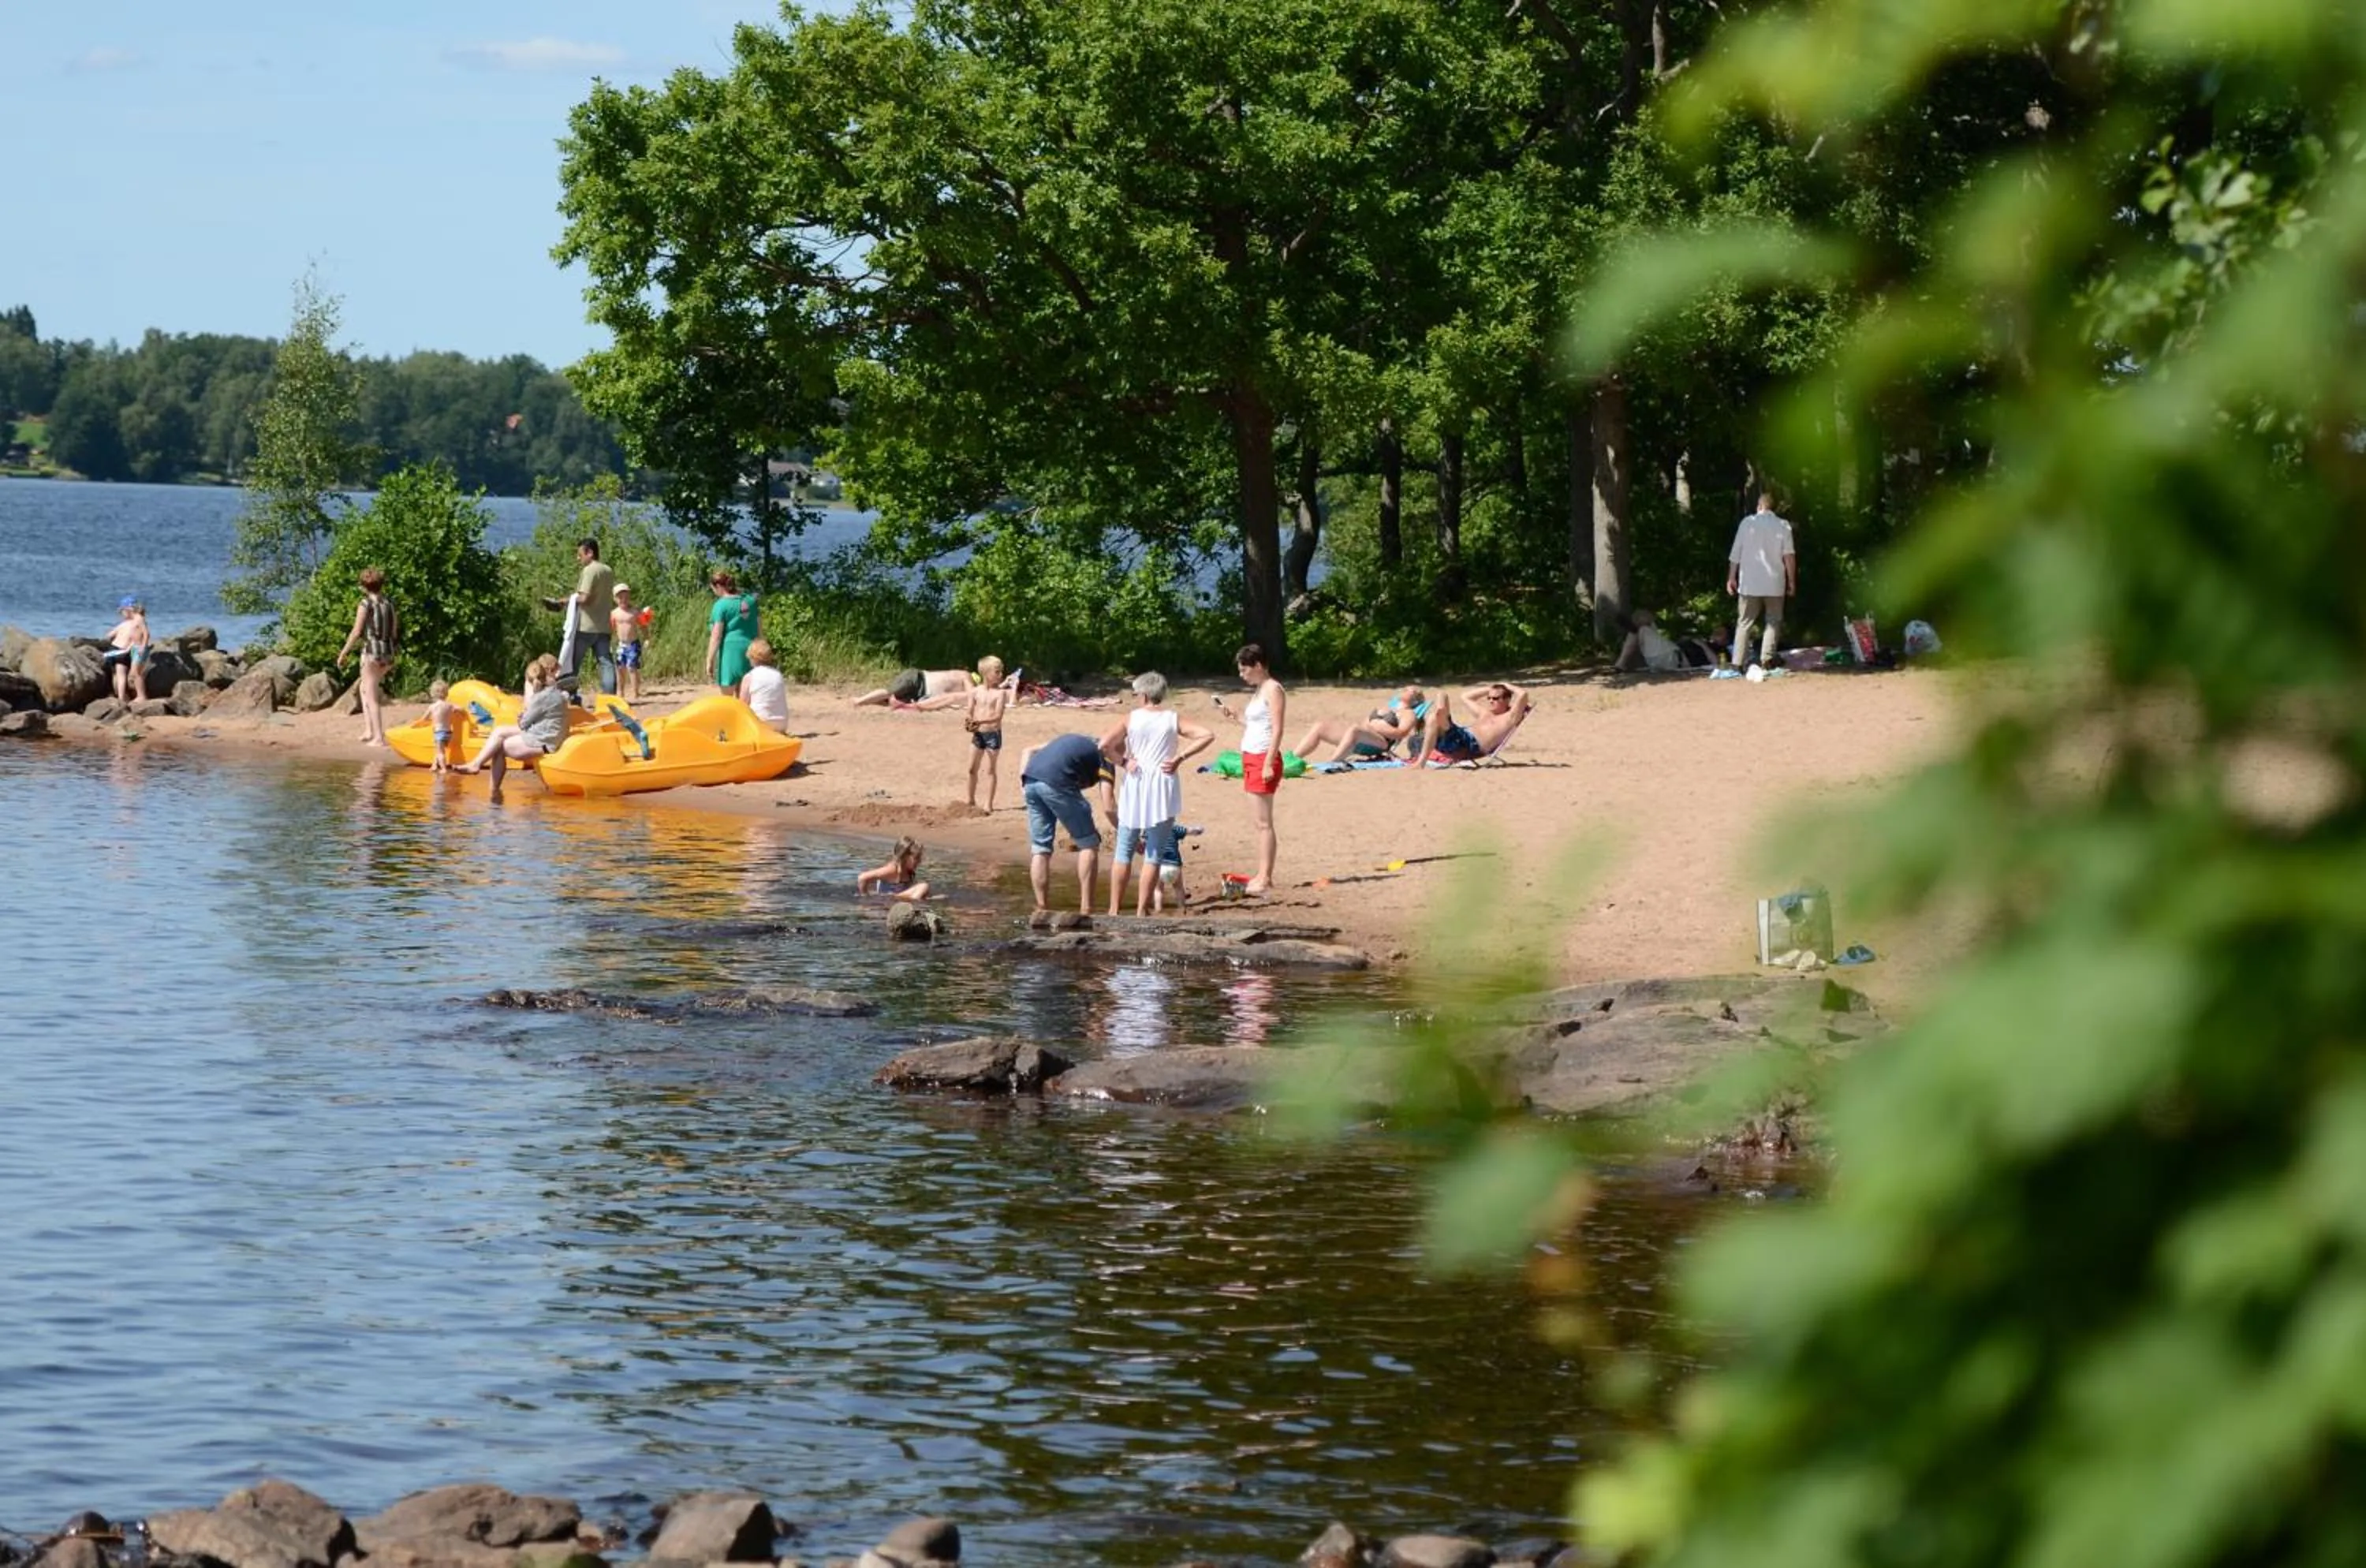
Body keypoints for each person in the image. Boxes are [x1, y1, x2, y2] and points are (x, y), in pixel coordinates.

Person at [1099, 671, 1215, 917]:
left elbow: (1104, 745)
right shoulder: (1172, 718)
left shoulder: (1131, 719)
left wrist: (1123, 762)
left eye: (1135, 693)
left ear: (1143, 694)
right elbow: (1207, 735)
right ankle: (1142, 910)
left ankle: (1113, 910)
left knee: (1124, 849)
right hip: (1163, 781)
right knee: (1153, 853)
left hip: (1137, 780)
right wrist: (1179, 758)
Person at [1208, 643, 1285, 897]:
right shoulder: (1259, 690)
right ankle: (1262, 875)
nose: (1242, 675)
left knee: (1264, 823)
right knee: (1258, 822)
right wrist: (1233, 716)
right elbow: (1255, 725)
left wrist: (1267, 763)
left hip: (1264, 758)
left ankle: (1265, 878)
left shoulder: (1273, 689)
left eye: (1244, 670)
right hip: (1251, 756)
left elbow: (1277, 728)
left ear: (1258, 666)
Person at [1017, 731, 1118, 914]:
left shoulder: (1081, 740)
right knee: (1089, 843)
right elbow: (1109, 806)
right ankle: (1087, 908)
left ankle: (1041, 907)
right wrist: (1126, 833)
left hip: (1031, 779)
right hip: (1056, 782)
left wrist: (1022, 784)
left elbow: (1029, 750)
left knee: (1040, 848)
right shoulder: (1107, 756)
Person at [457, 654, 568, 804]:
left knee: (499, 747)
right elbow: (535, 717)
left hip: (546, 739)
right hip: (545, 732)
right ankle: (486, 780)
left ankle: (492, 789)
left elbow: (524, 724)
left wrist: (522, 718)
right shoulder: (553, 692)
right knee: (499, 731)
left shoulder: (541, 697)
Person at [1727, 491, 1797, 670]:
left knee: (1744, 622)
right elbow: (1789, 556)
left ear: (1759, 506)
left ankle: (1737, 662)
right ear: (1773, 508)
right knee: (1773, 621)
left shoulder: (1747, 523)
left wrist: (1731, 577)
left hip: (1749, 583)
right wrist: (1791, 581)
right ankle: (1767, 659)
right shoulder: (1783, 525)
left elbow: (1736, 553)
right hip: (1774, 583)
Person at [334, 566, 399, 747]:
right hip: (388, 651)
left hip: (371, 651)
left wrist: (343, 653)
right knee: (364, 688)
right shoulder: (390, 603)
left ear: (364, 587)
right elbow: (394, 631)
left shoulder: (365, 604)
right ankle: (369, 730)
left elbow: (356, 632)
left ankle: (378, 737)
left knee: (371, 694)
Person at [1291, 685, 1427, 763]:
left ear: (1415, 700)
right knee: (1320, 726)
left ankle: (1333, 762)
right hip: (1363, 736)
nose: (1406, 689)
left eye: (1411, 690)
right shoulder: (1387, 707)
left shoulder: (1408, 713)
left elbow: (1402, 733)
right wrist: (1370, 725)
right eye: (1406, 687)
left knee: (1355, 729)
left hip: (1382, 743)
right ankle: (1292, 759)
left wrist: (1379, 727)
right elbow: (1365, 724)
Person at [1415, 681, 1536, 764]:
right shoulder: (1484, 713)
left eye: (1496, 698)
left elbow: (1523, 694)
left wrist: (1506, 685)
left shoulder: (1510, 717)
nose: (1491, 701)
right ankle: (1441, 717)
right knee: (1441, 696)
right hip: (1458, 736)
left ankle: (1441, 717)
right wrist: (1492, 688)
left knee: (1434, 717)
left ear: (1507, 699)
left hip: (1468, 746)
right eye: (1489, 698)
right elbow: (1465, 696)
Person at [962, 655, 1012, 812]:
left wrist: (980, 722)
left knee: (991, 770)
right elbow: (969, 710)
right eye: (997, 672)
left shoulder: (1001, 694)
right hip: (978, 734)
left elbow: (998, 716)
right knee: (971, 769)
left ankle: (988, 804)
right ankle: (970, 800)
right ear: (986, 673)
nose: (1000, 675)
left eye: (1001, 672)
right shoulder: (976, 692)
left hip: (992, 734)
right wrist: (969, 720)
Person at [704, 570, 760, 695]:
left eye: (713, 589)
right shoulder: (750, 601)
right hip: (751, 649)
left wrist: (710, 660)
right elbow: (759, 627)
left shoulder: (721, 605)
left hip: (730, 652)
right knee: (746, 697)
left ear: (718, 587)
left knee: (727, 698)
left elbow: (716, 636)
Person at [851, 665, 1002, 707]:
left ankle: (865, 701)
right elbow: (972, 695)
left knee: (889, 701)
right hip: (918, 679)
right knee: (888, 692)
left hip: (920, 692)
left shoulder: (960, 682)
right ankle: (859, 701)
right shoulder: (965, 676)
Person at [103, 595, 153, 705]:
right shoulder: (134, 620)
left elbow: (146, 634)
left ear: (128, 609)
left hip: (138, 648)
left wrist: (143, 647)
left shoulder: (139, 619)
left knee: (135, 673)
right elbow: (133, 637)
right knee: (133, 674)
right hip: (133, 648)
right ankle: (136, 696)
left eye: (122, 611)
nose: (122, 614)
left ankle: (141, 696)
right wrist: (129, 648)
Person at [856, 836, 931, 902]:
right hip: (887, 904)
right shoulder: (892, 870)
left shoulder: (908, 872)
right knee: (924, 886)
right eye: (916, 858)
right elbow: (862, 878)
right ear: (905, 857)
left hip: (895, 903)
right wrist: (865, 900)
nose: (919, 861)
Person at [738, 638, 790, 732]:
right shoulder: (778, 675)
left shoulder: (750, 677)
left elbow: (743, 706)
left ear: (752, 658)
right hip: (782, 723)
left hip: (760, 724)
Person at [1614, 609, 1686, 673]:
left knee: (1640, 631)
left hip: (1671, 659)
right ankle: (1621, 663)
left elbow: (1644, 620)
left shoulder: (1645, 631)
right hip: (1665, 659)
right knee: (1640, 631)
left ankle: (1621, 663)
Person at [609, 584, 646, 704]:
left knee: (632, 668)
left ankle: (635, 692)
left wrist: (647, 638)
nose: (623, 600)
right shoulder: (614, 613)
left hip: (633, 643)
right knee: (620, 668)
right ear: (615, 599)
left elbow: (643, 625)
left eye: (626, 597)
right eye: (620, 597)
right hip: (621, 644)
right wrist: (610, 642)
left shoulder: (634, 612)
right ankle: (621, 691)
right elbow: (611, 629)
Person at [423, 679, 457, 774]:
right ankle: (434, 765)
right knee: (438, 749)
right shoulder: (450, 705)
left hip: (439, 732)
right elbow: (460, 709)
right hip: (449, 733)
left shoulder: (432, 707)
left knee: (440, 752)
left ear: (433, 693)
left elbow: (424, 719)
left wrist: (429, 720)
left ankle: (443, 768)